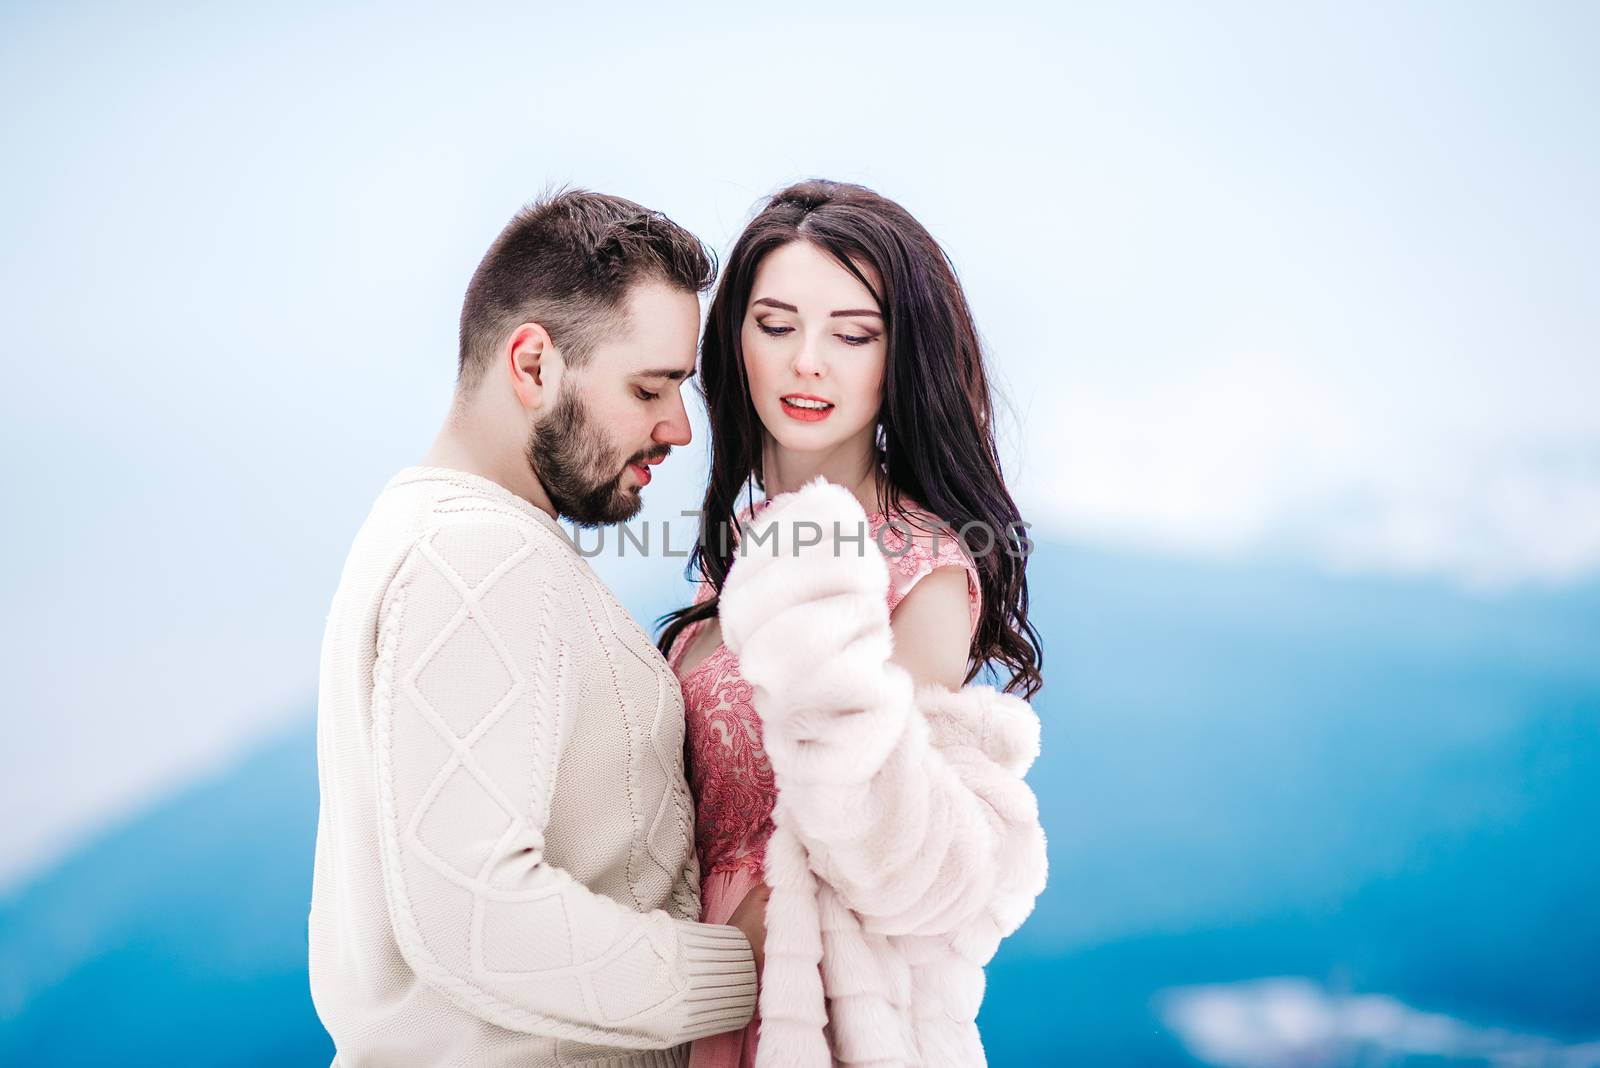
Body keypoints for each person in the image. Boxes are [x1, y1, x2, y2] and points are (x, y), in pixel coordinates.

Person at [310, 189, 765, 1068]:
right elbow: (473, 912)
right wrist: (738, 965)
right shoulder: (477, 557)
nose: (678, 427)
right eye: (650, 387)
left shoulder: (434, 535)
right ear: (533, 365)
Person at [658, 179, 1049, 1067]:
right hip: (684, 1004)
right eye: (777, 323)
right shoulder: (742, 554)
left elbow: (895, 846)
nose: (808, 362)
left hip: (815, 1020)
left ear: (897, 358)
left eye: (853, 334)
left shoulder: (923, 568)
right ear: (735, 343)